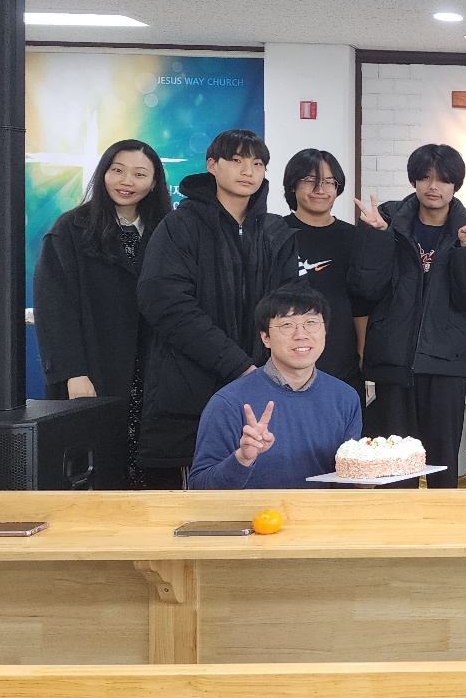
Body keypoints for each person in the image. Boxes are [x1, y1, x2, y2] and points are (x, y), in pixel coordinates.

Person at [137, 129, 299, 488]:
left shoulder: (276, 232)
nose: (248, 171)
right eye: (236, 160)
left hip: (261, 388)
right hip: (189, 389)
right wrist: (237, 364)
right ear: (212, 165)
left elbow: (288, 309)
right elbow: (165, 303)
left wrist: (269, 368)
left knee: (260, 495)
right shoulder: (180, 225)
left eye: (257, 163)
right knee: (196, 498)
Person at [350, 144, 466, 487]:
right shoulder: (388, 221)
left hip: (445, 361)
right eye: (426, 177)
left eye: (443, 179)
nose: (433, 186)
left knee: (442, 463)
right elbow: (366, 287)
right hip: (393, 356)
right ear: (414, 179)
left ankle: (440, 519)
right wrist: (377, 238)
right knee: (396, 464)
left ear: (455, 185)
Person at [34, 139, 172, 488]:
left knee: (156, 470)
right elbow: (55, 309)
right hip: (95, 368)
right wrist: (73, 373)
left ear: (154, 182)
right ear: (103, 173)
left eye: (139, 174)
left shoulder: (169, 230)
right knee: (98, 467)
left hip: (156, 368)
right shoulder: (71, 229)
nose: (127, 181)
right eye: (117, 170)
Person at [187, 287, 363, 489]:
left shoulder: (345, 397)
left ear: (325, 331)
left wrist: (361, 482)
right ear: (265, 337)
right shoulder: (229, 402)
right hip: (255, 510)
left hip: (322, 510)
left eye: (311, 323)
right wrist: (242, 459)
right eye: (287, 325)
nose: (301, 335)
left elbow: (344, 483)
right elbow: (198, 488)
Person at [281, 149, 370, 397]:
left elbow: (361, 303)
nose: (320, 189)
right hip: (286, 359)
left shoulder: (353, 237)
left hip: (341, 359)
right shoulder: (276, 233)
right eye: (310, 180)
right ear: (292, 185)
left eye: (329, 182)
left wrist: (362, 353)